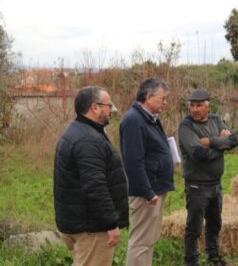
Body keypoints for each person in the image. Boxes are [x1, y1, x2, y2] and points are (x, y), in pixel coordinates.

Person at [54, 86, 128, 266]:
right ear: (95, 107)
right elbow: (95, 186)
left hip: (80, 220)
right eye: (108, 105)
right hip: (92, 227)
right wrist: (111, 223)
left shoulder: (79, 130)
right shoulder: (88, 139)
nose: (111, 110)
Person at [178, 89, 238, 266]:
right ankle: (191, 261)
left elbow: (235, 140)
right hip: (197, 186)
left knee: (214, 223)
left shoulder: (216, 120)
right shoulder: (186, 126)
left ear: (208, 106)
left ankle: (213, 256)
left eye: (199, 105)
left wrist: (211, 142)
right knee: (194, 228)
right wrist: (221, 145)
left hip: (216, 185)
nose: (195, 109)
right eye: (192, 106)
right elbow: (198, 154)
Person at [120, 78, 175, 266]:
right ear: (149, 97)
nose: (165, 102)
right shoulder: (133, 120)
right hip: (146, 193)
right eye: (163, 98)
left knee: (148, 240)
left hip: (154, 189)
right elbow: (133, 162)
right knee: (141, 241)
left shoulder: (148, 118)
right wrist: (147, 191)